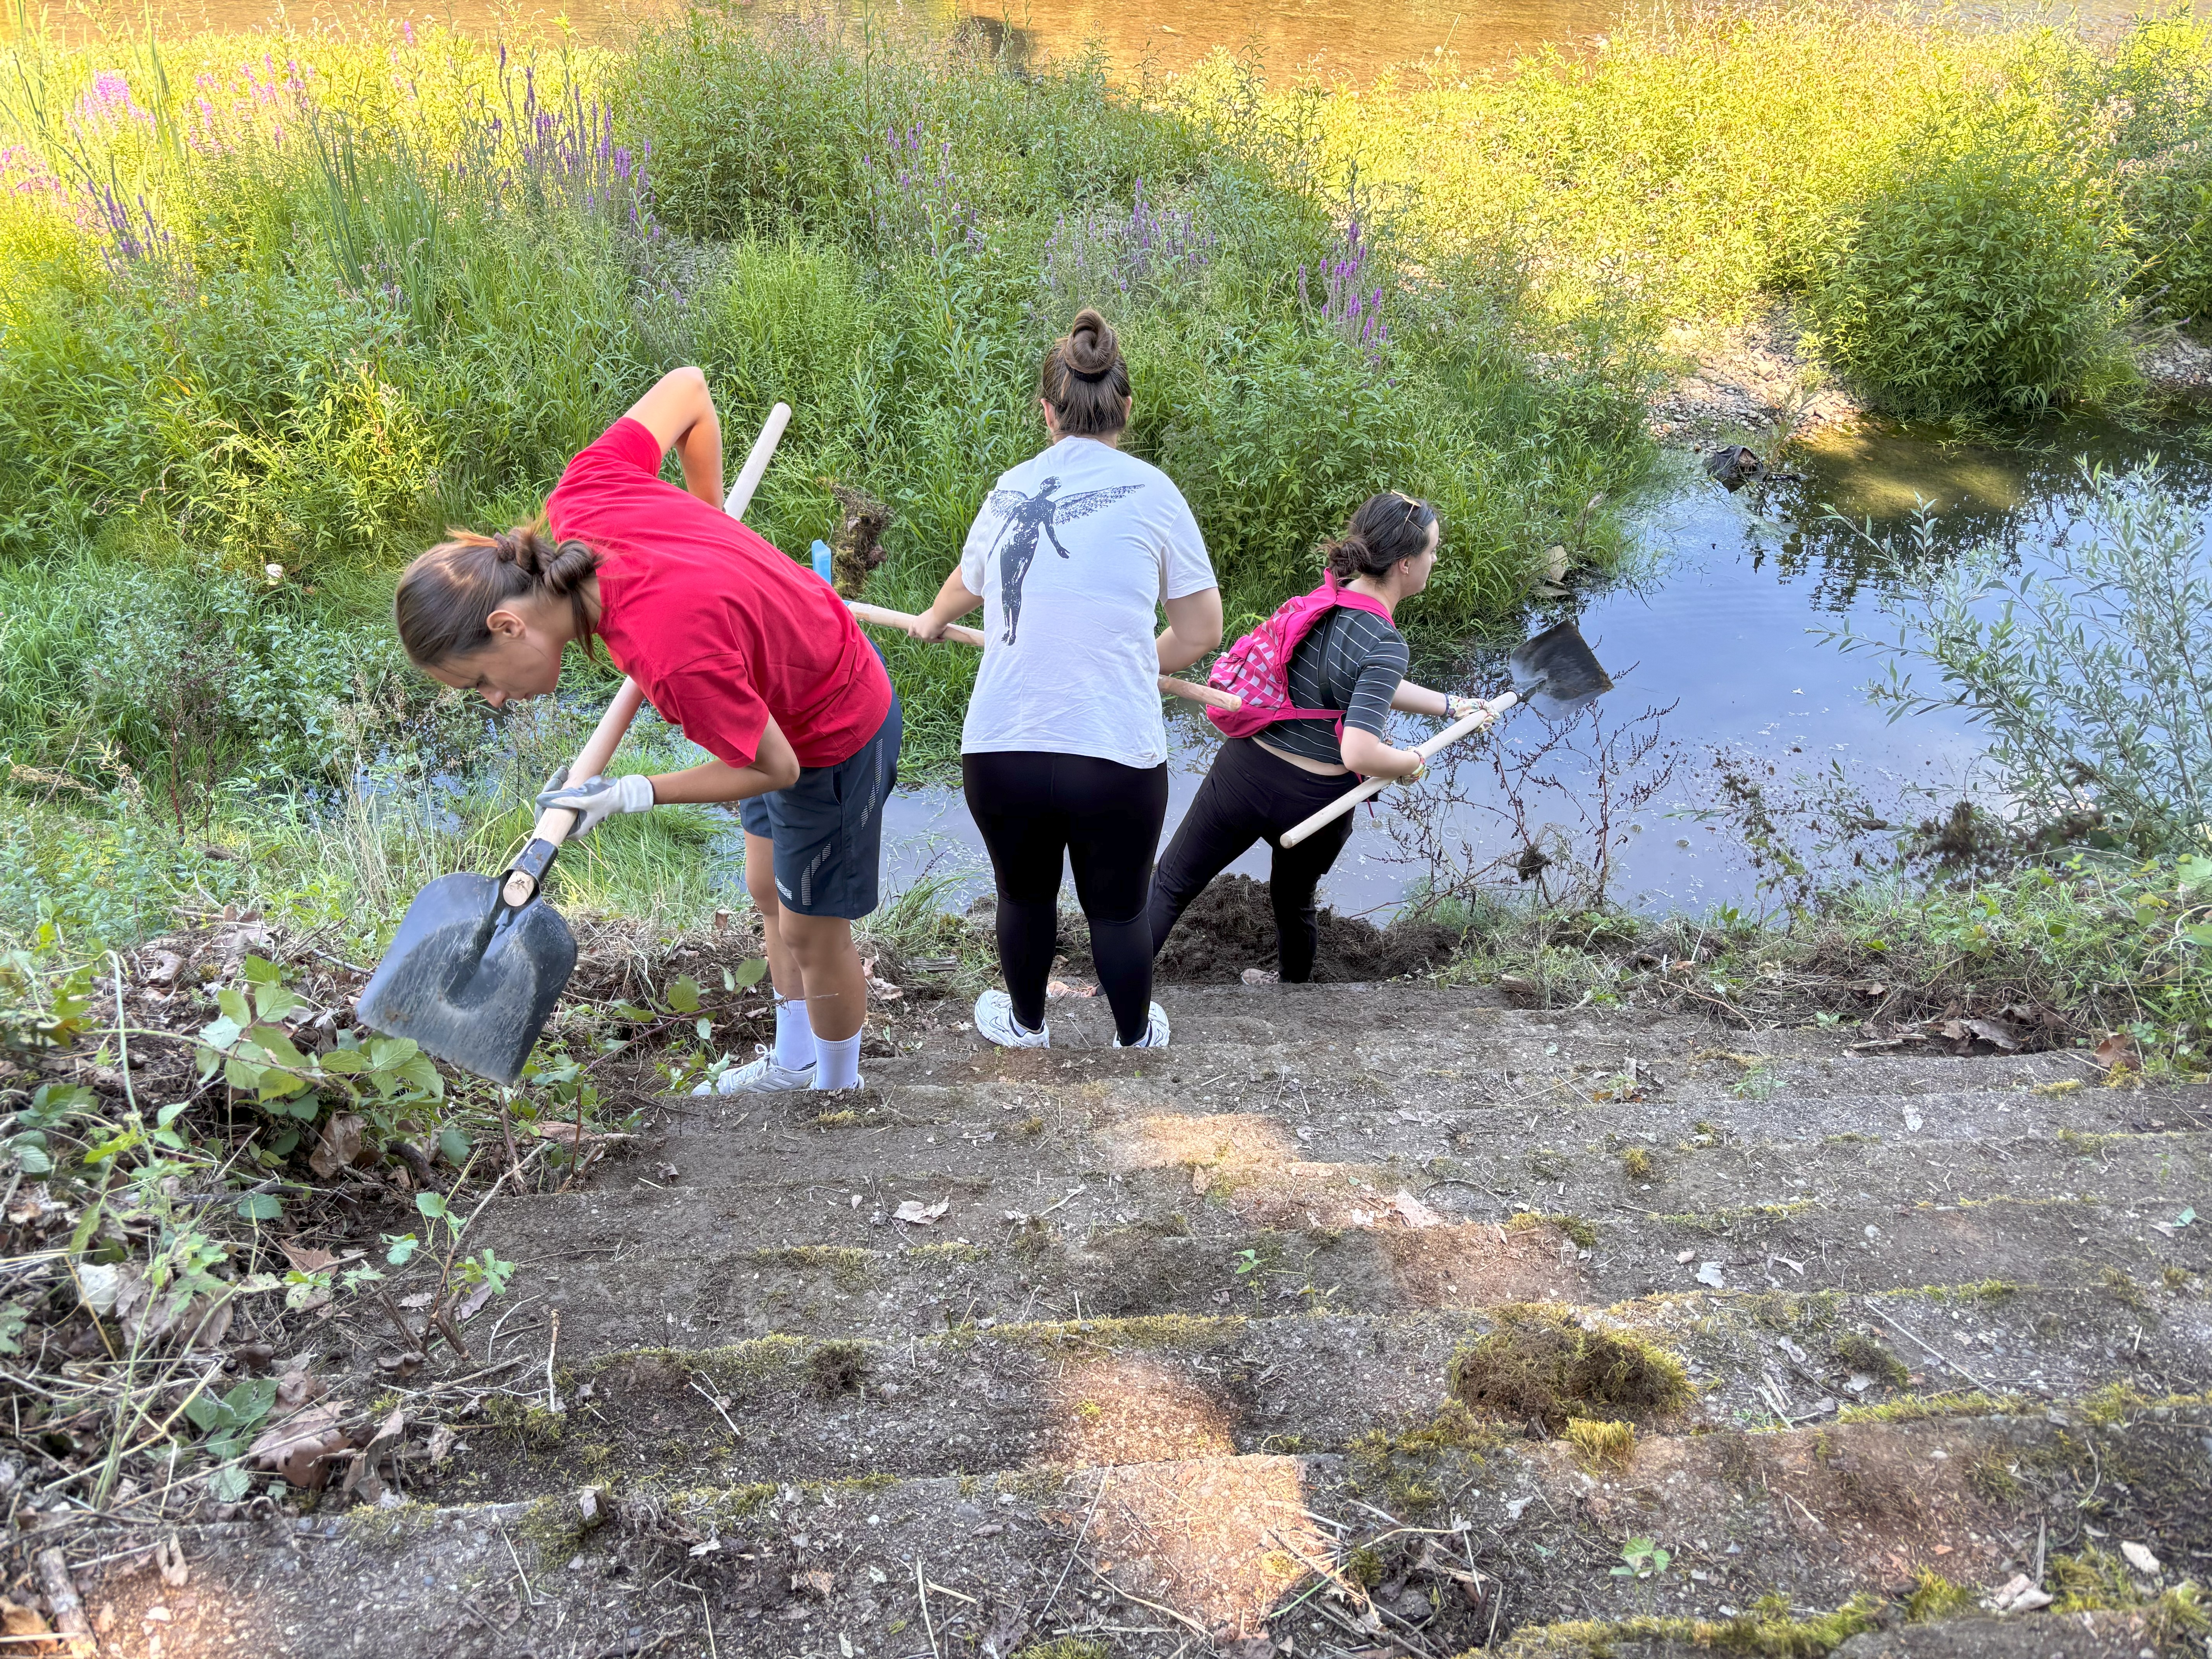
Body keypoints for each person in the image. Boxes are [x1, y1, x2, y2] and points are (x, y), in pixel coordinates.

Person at [391, 367, 900, 1094]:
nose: (496, 700)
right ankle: (793, 1061)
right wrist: (712, 523)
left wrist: (630, 792)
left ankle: (839, 1091)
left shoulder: (670, 650)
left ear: (507, 624)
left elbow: (777, 768)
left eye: (482, 680)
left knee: (811, 930)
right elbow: (689, 391)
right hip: (765, 694)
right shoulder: (582, 492)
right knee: (766, 889)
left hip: (833, 722)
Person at [912, 308, 1222, 1051]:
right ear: (1126, 408)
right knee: (1117, 910)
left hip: (1003, 746)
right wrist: (1126, 659)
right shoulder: (1155, 493)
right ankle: (1133, 1039)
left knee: (1023, 895)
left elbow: (970, 579)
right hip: (1113, 753)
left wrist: (929, 617)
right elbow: (1202, 631)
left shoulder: (1012, 486)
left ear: (1046, 411)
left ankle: (1025, 1026)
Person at [1146, 491, 1478, 983]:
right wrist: (1410, 763)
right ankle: (1292, 990)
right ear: (1406, 565)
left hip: (1245, 776)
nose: (1436, 559)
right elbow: (1360, 750)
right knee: (1294, 899)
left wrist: (1451, 705)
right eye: (1433, 550)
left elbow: (1370, 685)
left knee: (1171, 884)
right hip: (1316, 803)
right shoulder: (1386, 642)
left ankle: (1105, 989)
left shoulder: (1325, 601)